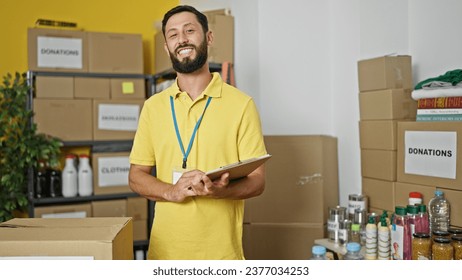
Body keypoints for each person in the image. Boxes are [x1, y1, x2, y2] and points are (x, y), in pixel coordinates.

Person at [128, 5, 267, 260]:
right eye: (173, 35)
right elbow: (136, 176)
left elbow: (258, 180)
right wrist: (172, 191)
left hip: (222, 256)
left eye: (189, 30)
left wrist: (222, 192)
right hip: (165, 255)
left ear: (209, 37)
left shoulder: (241, 104)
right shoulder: (153, 107)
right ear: (167, 48)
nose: (182, 39)